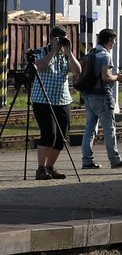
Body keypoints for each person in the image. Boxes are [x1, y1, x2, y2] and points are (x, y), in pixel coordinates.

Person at [31, 26, 80, 180]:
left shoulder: (66, 55)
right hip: (42, 100)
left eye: (64, 39)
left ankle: (50, 167)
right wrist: (52, 51)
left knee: (61, 137)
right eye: (58, 39)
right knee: (49, 134)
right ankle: (40, 169)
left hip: (63, 100)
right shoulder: (42, 51)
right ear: (51, 38)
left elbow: (78, 71)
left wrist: (69, 51)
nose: (61, 43)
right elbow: (39, 67)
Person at [81, 28, 122, 170]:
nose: (114, 43)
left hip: (89, 95)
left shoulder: (90, 53)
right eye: (114, 40)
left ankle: (87, 160)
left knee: (90, 128)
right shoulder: (105, 56)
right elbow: (106, 77)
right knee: (109, 129)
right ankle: (115, 160)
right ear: (109, 40)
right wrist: (118, 78)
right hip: (102, 96)